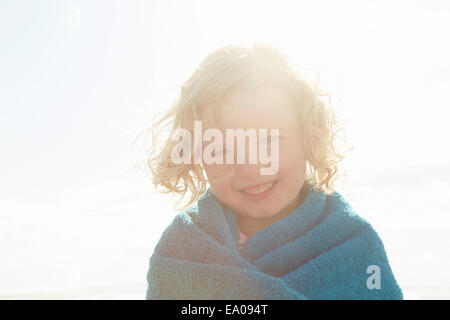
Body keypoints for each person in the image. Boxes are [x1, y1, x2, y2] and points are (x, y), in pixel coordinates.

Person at [143, 43, 403, 299]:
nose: (251, 167)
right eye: (222, 150)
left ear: (307, 135)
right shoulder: (182, 251)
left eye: (269, 141)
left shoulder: (354, 247)